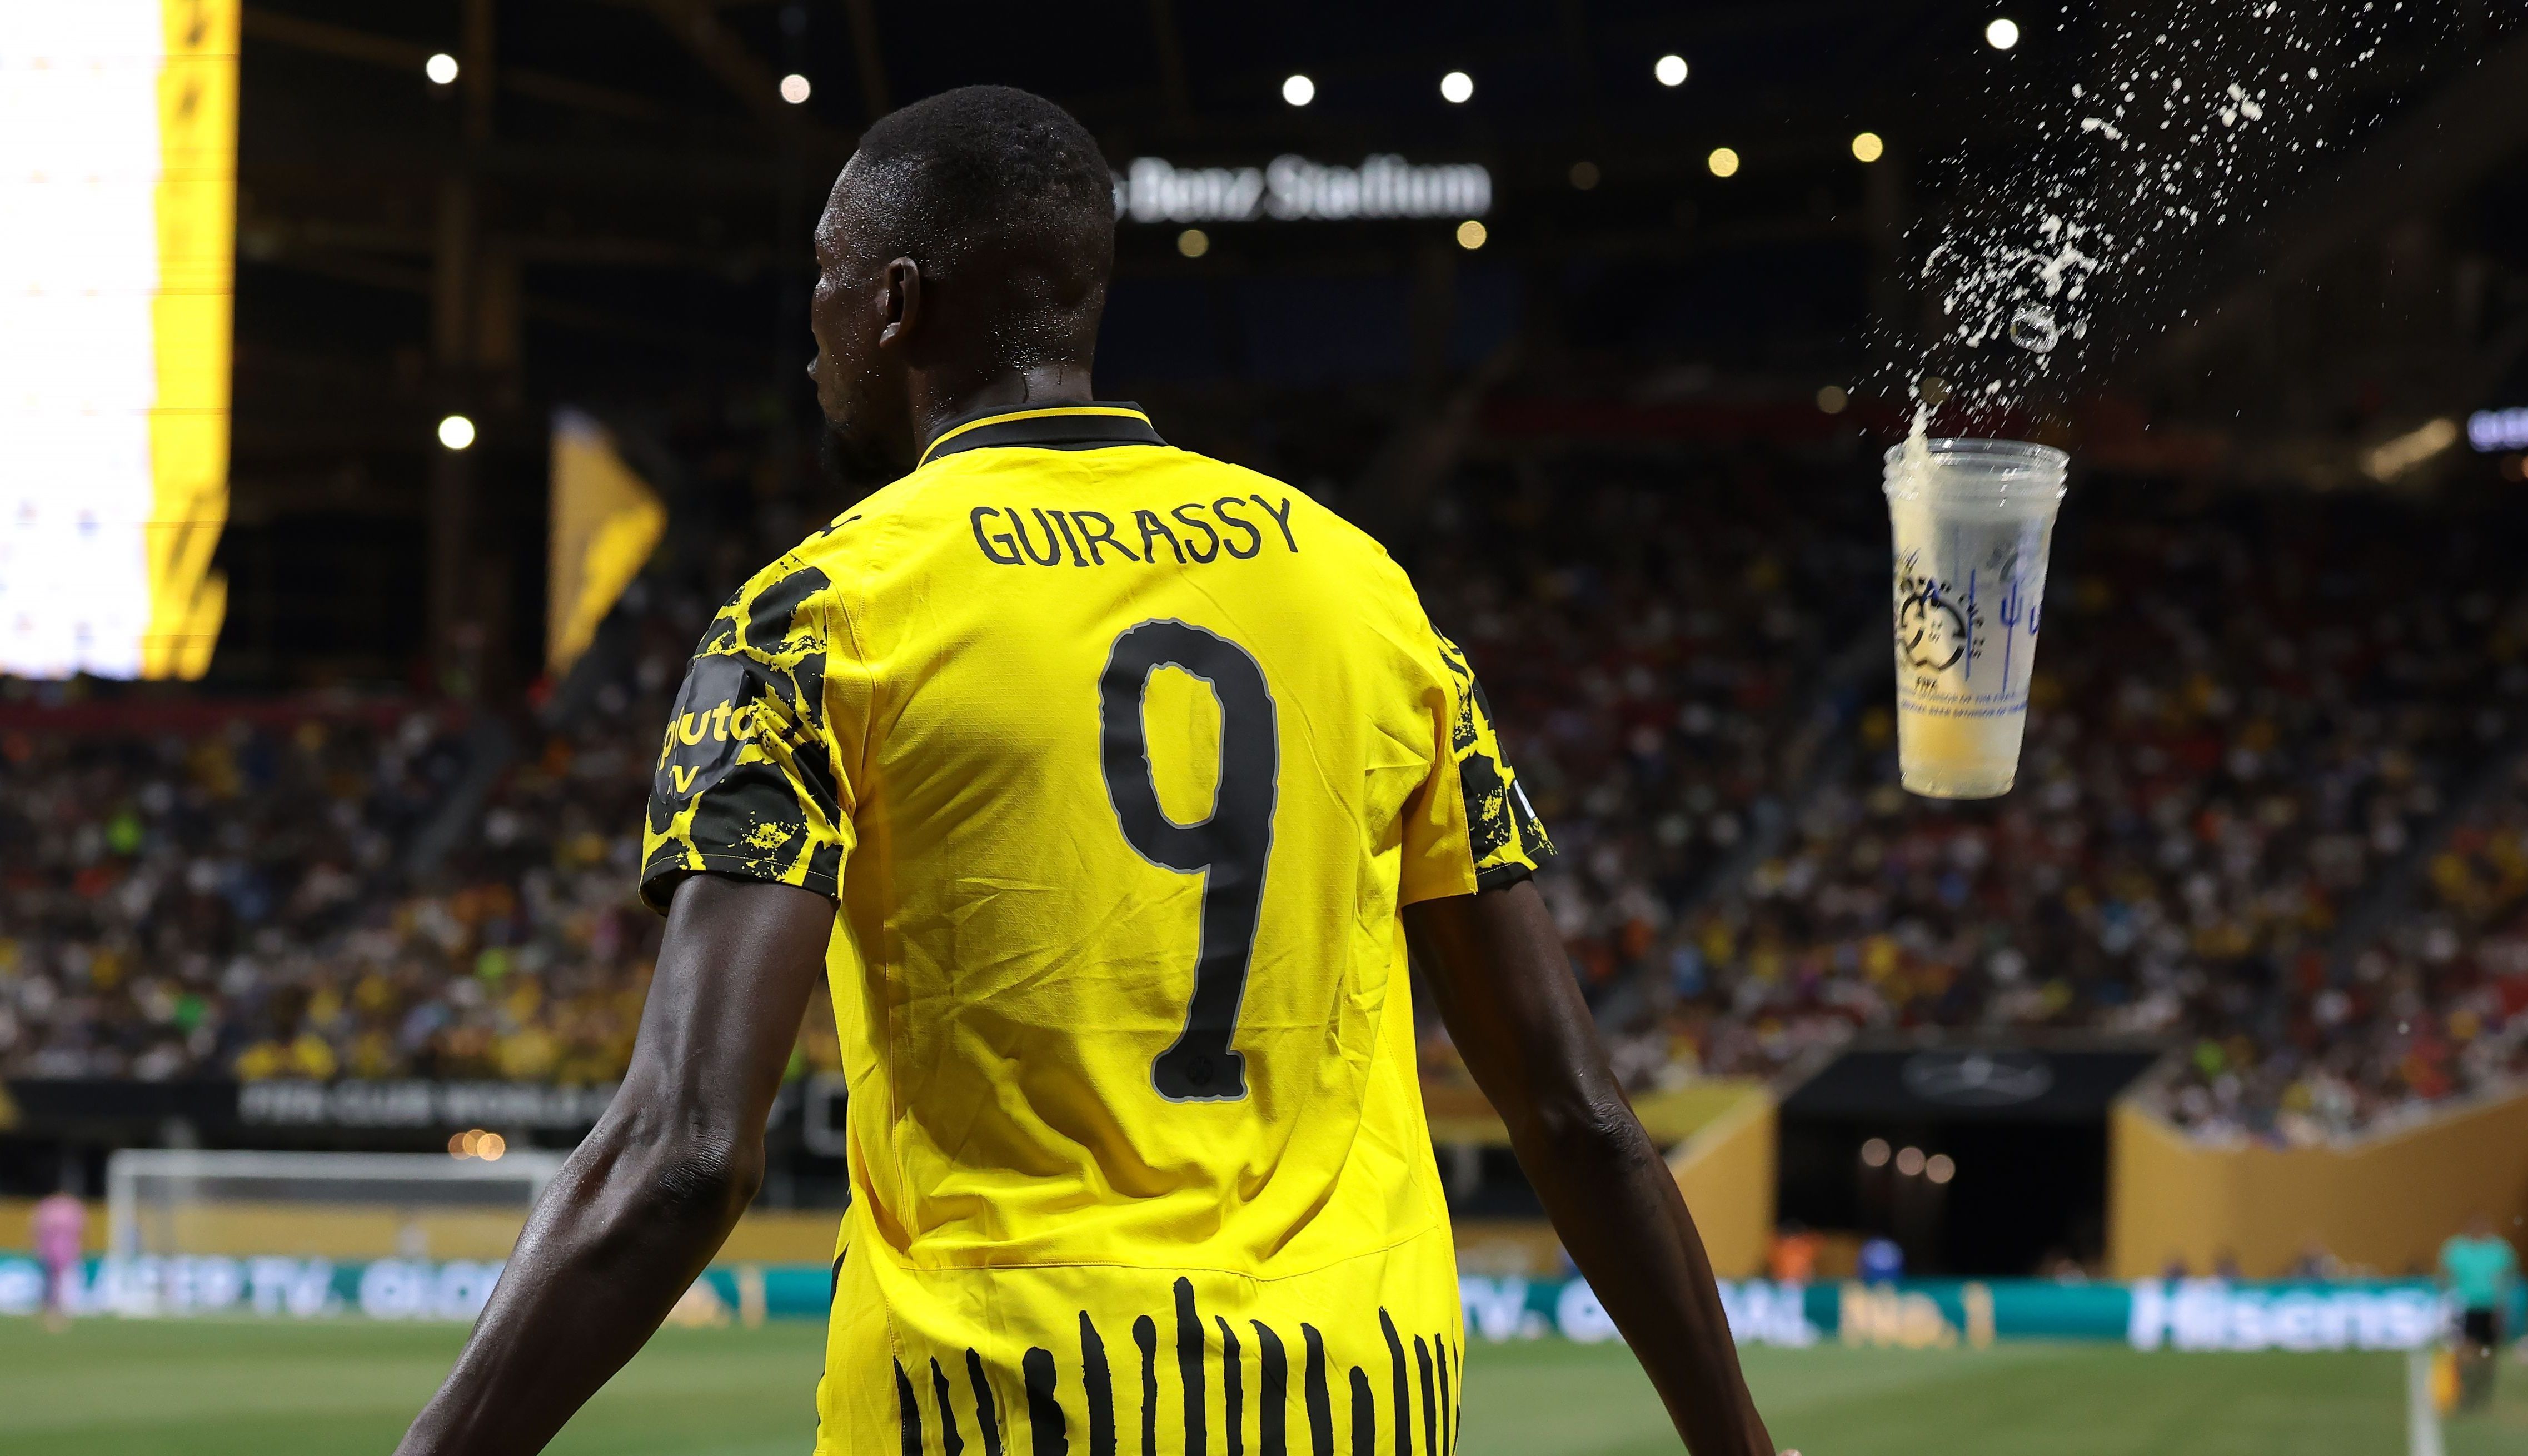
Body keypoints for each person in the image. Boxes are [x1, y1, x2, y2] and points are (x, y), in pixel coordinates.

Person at [395, 86, 1781, 1456]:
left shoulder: (816, 620)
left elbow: (682, 1155)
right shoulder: (1363, 594)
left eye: (821, 276)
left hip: (994, 1403)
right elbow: (1577, 1113)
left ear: (891, 302)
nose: (809, 319)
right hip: (1355, 1399)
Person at [2439, 1214, 2519, 1411]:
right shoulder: (2457, 1249)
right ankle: (2465, 1390)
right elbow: (2445, 1274)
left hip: (2491, 1307)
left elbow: (2507, 1277)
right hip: (2466, 1306)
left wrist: (2503, 1306)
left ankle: (2482, 1392)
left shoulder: (2500, 1250)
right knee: (2465, 1349)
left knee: (2488, 1353)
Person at [30, 1189, 83, 1332]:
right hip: (54, 1253)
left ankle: (58, 1314)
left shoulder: (50, 1208)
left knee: (59, 1283)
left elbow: (36, 1229)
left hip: (62, 1253)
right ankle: (53, 1314)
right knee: (54, 1284)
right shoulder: (68, 1209)